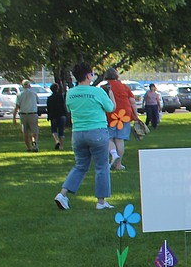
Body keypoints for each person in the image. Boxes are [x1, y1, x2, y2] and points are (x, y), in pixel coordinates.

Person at [54, 64, 116, 210]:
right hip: (97, 131)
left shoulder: (71, 93)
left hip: (78, 133)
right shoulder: (97, 91)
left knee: (80, 165)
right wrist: (110, 95)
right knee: (101, 166)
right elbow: (111, 108)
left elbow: (69, 109)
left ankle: (63, 194)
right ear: (88, 75)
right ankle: (101, 202)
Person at [101, 67, 136, 171]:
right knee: (120, 139)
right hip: (124, 115)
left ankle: (113, 155)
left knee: (109, 138)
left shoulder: (104, 87)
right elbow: (132, 101)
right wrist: (136, 116)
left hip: (110, 115)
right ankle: (119, 164)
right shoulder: (124, 86)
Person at [13, 79, 40, 151]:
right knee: (34, 131)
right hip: (33, 114)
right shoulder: (34, 93)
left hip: (23, 114)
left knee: (25, 132)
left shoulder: (19, 95)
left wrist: (14, 118)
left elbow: (17, 107)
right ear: (29, 85)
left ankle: (28, 148)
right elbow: (37, 101)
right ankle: (35, 144)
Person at [47, 82, 68, 150]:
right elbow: (64, 106)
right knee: (61, 130)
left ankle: (57, 141)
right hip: (62, 115)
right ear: (57, 88)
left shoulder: (49, 98)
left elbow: (48, 108)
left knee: (54, 130)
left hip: (53, 116)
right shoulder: (61, 97)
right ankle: (61, 146)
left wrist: (49, 116)